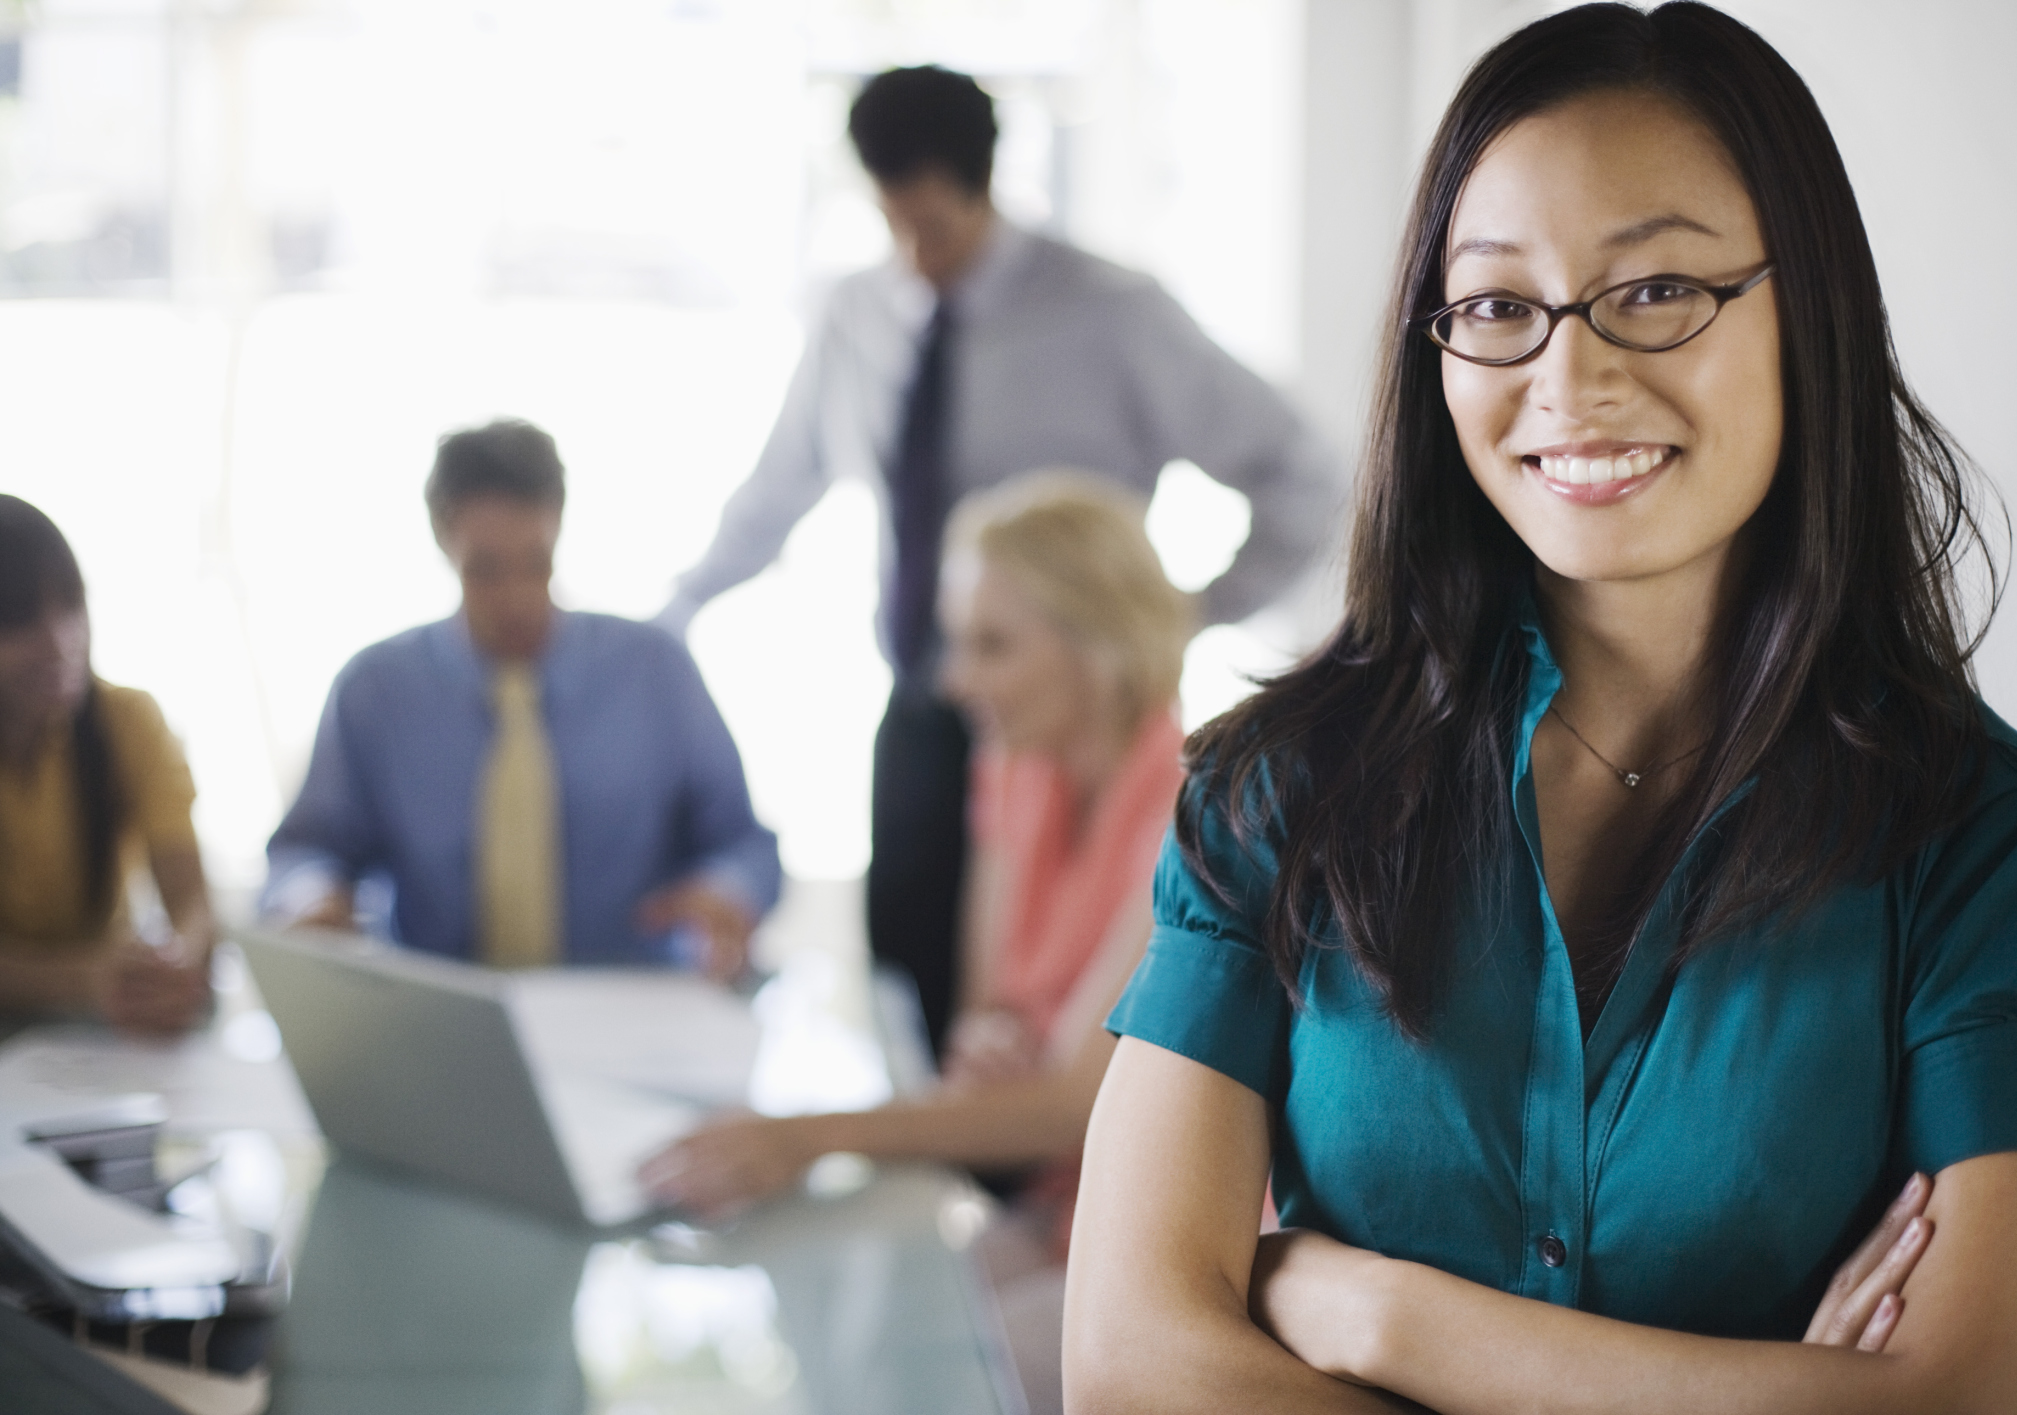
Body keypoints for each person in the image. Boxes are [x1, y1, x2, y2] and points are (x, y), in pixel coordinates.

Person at [1066, 5, 2017, 1413]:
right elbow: (1132, 1369)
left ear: (1806, 309)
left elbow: (1966, 1399)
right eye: (1499, 305)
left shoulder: (1991, 848)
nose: (1568, 377)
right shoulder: (1274, 791)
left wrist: (1374, 1310)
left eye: (1657, 289)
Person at [653, 65, 1339, 1056]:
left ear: (981, 188)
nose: (911, 256)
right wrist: (670, 617)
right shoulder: (856, 312)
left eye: (929, 226)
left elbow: (1299, 473)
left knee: (1087, 1026)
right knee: (925, 1007)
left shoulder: (1112, 312)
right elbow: (777, 489)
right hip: (930, 710)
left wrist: (1171, 618)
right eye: (890, 224)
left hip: (1075, 721)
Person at [642, 473, 1192, 1414]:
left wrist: (806, 1137)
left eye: (993, 644)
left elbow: (1065, 1105)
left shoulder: (1194, 815)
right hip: (1059, 1207)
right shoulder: (1014, 767)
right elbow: (989, 1024)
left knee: (930, 1372)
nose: (954, 680)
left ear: (1097, 647)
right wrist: (991, 1045)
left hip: (1172, 1239)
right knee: (855, 1326)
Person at [264, 420, 780, 975]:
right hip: (445, 1016)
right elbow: (302, 853)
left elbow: (746, 846)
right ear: (443, 540)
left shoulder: (656, 672)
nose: (515, 600)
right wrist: (312, 897)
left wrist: (726, 892)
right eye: (485, 570)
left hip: (631, 1007)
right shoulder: (374, 691)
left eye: (536, 564)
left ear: (558, 528)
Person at [0, 496, 213, 1033]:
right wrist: (82, 979)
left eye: (72, 607)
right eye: (20, 618)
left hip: (103, 1033)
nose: (60, 642)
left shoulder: (127, 720)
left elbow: (193, 901)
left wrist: (176, 963)